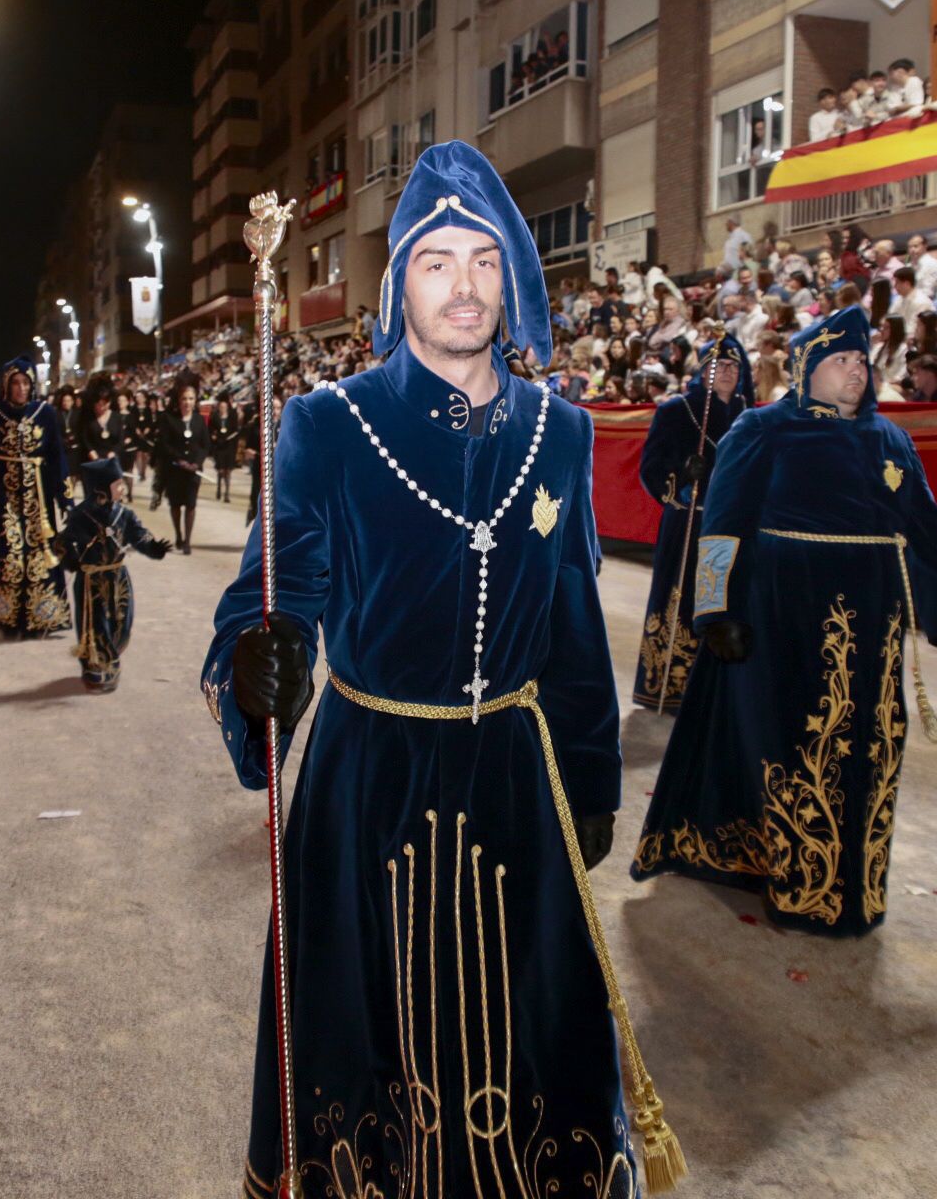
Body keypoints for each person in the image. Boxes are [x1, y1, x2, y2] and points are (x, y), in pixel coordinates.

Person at [202, 141, 666, 1192]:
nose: (466, 286)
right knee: (372, 1036)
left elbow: (571, 617)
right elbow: (273, 591)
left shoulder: (562, 432)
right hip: (367, 782)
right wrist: (257, 663)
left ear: (514, 281)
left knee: (530, 1035)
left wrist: (591, 775)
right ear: (396, 283)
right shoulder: (325, 423)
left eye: (487, 261)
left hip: (516, 775)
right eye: (437, 261)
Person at [632, 304, 937, 936]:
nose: (856, 373)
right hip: (784, 613)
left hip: (872, 624)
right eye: (841, 361)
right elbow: (723, 523)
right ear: (807, 367)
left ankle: (853, 886)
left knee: (870, 749)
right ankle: (799, 882)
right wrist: (716, 610)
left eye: (862, 361)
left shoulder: (890, 438)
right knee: (794, 743)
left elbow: (924, 524)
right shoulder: (763, 430)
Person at [634, 334, 753, 713]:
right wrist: (682, 477)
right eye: (719, 366)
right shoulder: (676, 411)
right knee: (681, 598)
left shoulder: (750, 415)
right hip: (690, 522)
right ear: (703, 372)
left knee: (730, 601)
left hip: (736, 526)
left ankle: (724, 687)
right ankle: (669, 684)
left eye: (735, 366)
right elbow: (650, 469)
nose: (728, 373)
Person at [0, 357, 72, 638]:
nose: (21, 388)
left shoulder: (46, 413)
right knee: (9, 556)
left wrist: (65, 498)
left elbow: (57, 456)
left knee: (39, 557)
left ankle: (41, 618)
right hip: (1, 497)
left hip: (38, 498)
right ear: (6, 385)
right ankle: (10, 619)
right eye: (15, 383)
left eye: (26, 383)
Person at [53, 457, 170, 693]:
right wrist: (70, 560)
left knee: (121, 624)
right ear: (101, 488)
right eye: (117, 484)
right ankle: (96, 668)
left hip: (118, 577)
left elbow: (139, 535)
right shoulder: (81, 514)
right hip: (91, 580)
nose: (122, 488)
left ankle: (109, 658)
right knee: (95, 626)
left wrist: (153, 548)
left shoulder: (124, 515)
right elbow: (62, 541)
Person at [152, 376, 210, 553]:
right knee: (176, 504)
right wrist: (179, 460)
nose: (187, 402)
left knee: (191, 505)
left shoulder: (199, 420)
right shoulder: (169, 419)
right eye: (184, 398)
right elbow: (165, 443)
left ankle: (187, 541)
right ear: (179, 400)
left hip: (193, 471)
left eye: (191, 398)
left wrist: (196, 462)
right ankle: (178, 534)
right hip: (174, 470)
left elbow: (205, 445)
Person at [207, 393, 241, 502]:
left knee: (228, 471)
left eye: (224, 406)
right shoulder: (215, 416)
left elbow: (236, 430)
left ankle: (227, 493)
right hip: (219, 446)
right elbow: (210, 429)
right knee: (220, 471)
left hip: (229, 446)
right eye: (221, 407)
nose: (222, 408)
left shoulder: (232, 416)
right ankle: (219, 488)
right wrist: (213, 435)